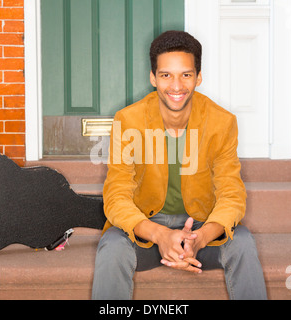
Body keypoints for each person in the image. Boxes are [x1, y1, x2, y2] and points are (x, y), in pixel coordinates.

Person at [91, 30, 267, 300]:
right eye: (166, 75)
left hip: (202, 228)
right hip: (147, 231)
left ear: (198, 77)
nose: (176, 86)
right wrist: (160, 235)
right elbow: (116, 196)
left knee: (242, 242)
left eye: (185, 75)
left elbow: (231, 193)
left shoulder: (222, 122)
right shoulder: (129, 121)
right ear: (153, 78)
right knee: (112, 245)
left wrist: (202, 238)